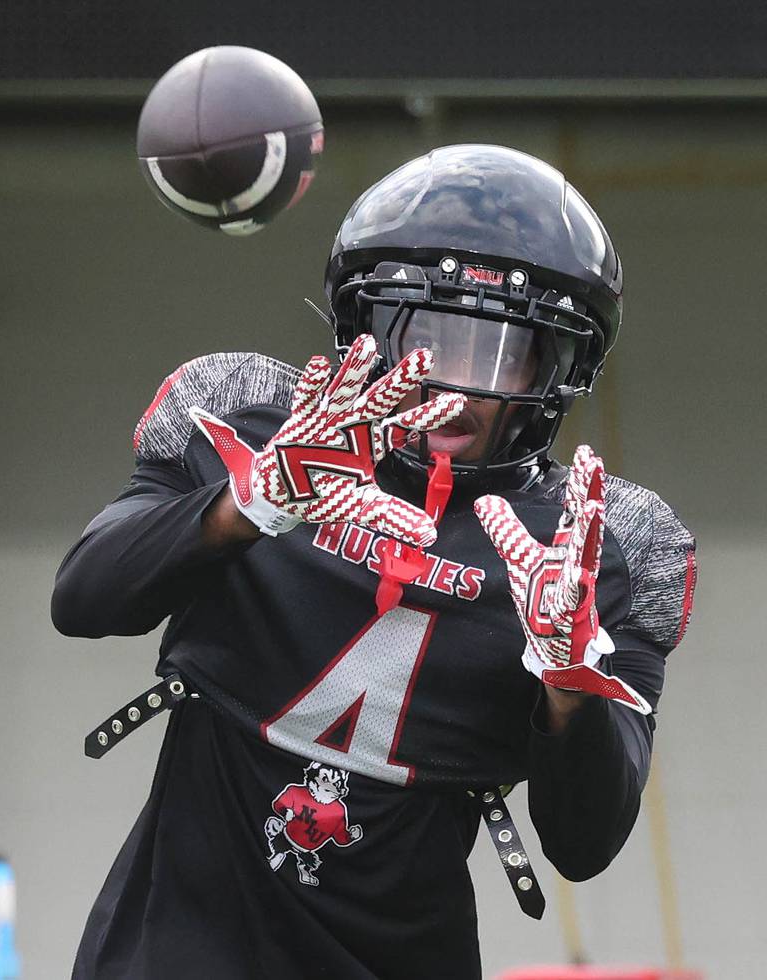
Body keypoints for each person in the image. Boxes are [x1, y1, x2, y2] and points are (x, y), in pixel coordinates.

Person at [53, 144, 697, 980]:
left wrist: (571, 685)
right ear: (366, 328)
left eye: (500, 350)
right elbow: (84, 599)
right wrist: (245, 506)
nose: (457, 385)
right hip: (173, 949)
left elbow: (585, 842)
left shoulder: (603, 551)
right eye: (427, 335)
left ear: (555, 367)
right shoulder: (246, 423)